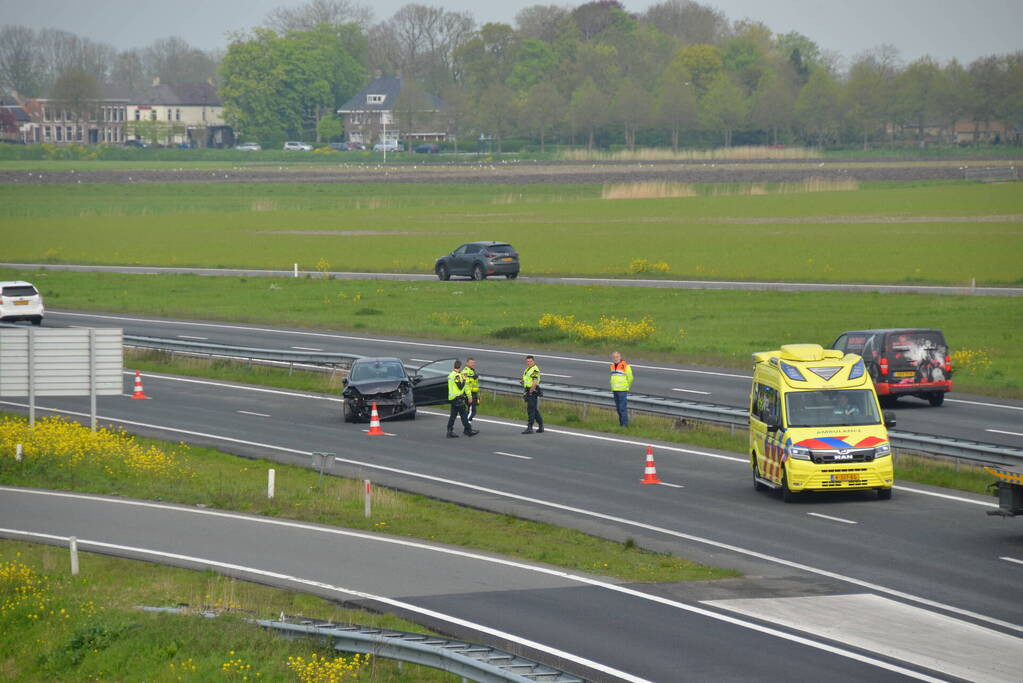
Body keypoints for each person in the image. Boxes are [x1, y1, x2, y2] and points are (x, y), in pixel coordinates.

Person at [446, 360, 478, 438]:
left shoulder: (450, 375)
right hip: (458, 399)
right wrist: (464, 379)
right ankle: (468, 430)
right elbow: (460, 386)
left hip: (453, 398)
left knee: (453, 416)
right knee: (463, 415)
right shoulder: (457, 376)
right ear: (460, 367)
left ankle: (449, 431)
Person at [609, 350, 634, 427]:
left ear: (620, 356)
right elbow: (613, 377)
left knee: (622, 408)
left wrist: (627, 386)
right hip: (615, 389)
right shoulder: (612, 366)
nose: (615, 358)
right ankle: (621, 424)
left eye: (617, 356)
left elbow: (630, 378)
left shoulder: (625, 365)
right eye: (614, 357)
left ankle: (624, 425)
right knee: (618, 408)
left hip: (622, 390)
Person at [520, 355, 544, 434]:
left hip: (532, 391)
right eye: (527, 361)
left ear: (534, 361)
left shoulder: (535, 370)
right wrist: (523, 382)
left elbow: (534, 382)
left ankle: (530, 427)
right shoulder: (528, 369)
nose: (529, 363)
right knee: (534, 410)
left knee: (530, 409)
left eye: (530, 361)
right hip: (529, 390)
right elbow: (527, 378)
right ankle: (541, 426)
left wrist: (530, 392)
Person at [463, 357, 480, 423]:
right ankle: (467, 427)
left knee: (472, 411)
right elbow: (466, 385)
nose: (473, 364)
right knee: (472, 411)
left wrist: (478, 394)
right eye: (471, 363)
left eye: (474, 363)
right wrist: (469, 396)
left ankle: (468, 426)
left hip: (474, 393)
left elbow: (475, 384)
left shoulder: (472, 370)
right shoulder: (465, 372)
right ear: (467, 363)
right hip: (470, 394)